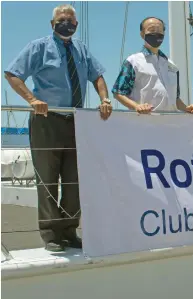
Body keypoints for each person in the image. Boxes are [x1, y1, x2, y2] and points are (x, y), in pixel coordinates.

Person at [4, 4, 112, 252]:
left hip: (77, 121)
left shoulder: (81, 50)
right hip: (47, 120)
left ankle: (69, 230)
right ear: (53, 24)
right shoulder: (39, 47)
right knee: (48, 179)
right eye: (62, 20)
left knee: (75, 180)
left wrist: (104, 98)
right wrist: (32, 100)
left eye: (71, 20)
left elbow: (97, 76)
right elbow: (12, 73)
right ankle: (51, 235)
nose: (68, 23)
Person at [112, 17, 193, 115]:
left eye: (159, 30)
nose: (156, 33)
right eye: (152, 30)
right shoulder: (133, 61)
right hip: (144, 123)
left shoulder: (172, 66)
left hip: (172, 124)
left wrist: (188, 108)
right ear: (142, 34)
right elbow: (118, 92)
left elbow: (175, 99)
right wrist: (136, 106)